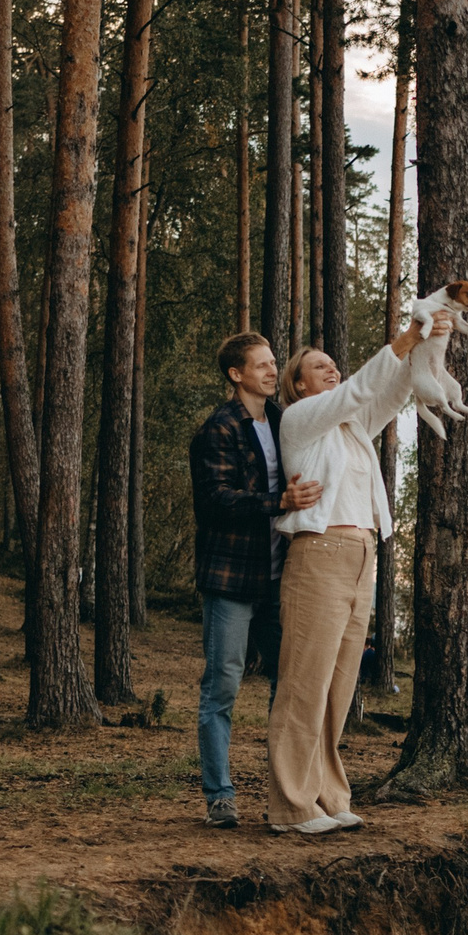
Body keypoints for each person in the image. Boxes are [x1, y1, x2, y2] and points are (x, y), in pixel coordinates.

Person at [261, 307, 454, 834]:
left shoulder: (352, 429)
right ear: (297, 387)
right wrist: (405, 336)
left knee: (339, 685)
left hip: (362, 556)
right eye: (319, 367)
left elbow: (388, 394)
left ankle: (326, 794)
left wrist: (422, 347)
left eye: (333, 365)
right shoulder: (302, 420)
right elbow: (356, 391)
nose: (332, 371)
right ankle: (290, 807)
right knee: (305, 681)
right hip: (319, 554)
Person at [188, 332, 322, 829]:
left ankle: (283, 793)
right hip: (230, 580)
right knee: (221, 687)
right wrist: (277, 503)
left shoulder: (285, 422)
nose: (272, 371)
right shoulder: (219, 429)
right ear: (236, 374)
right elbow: (214, 502)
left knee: (287, 686)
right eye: (261, 366)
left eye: (273, 364)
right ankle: (220, 796)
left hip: (278, 580)